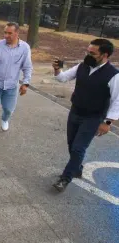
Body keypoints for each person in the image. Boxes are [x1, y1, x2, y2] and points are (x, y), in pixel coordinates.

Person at [51, 39, 119, 192]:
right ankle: (77, 167)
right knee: (72, 144)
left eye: (92, 53)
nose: (88, 55)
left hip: (93, 117)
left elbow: (117, 101)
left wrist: (107, 123)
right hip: (75, 112)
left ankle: (65, 178)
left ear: (105, 55)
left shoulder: (113, 75)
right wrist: (57, 70)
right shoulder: (82, 66)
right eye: (88, 51)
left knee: (78, 148)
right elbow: (62, 78)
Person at [0, 22, 32, 140]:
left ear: (17, 33)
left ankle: (5, 118)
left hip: (12, 85)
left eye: (9, 33)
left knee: (8, 108)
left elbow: (27, 66)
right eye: (5, 32)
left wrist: (25, 83)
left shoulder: (25, 48)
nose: (6, 35)